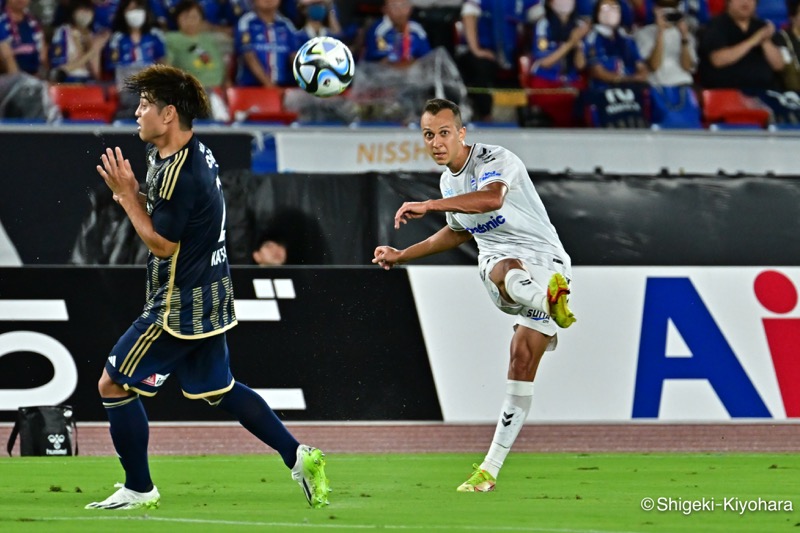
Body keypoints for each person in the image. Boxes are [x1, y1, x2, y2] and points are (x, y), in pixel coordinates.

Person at [85, 64, 330, 511]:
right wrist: (136, 193)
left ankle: (139, 487)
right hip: (211, 294)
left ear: (169, 114)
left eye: (144, 106)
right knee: (219, 388)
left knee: (112, 384)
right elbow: (167, 218)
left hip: (178, 304)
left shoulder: (182, 172)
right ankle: (299, 456)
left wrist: (125, 197)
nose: (136, 113)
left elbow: (162, 244)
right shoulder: (180, 152)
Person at [372, 98, 575, 493]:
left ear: (462, 133)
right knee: (505, 267)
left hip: (548, 262)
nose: (436, 142)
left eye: (444, 133)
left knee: (521, 359)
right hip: (508, 264)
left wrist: (428, 204)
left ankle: (489, 471)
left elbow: (492, 199)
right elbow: (458, 232)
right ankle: (546, 303)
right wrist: (401, 255)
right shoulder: (449, 183)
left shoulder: (496, 159)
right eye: (429, 135)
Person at [698, 0, 784, 90]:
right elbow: (717, 60)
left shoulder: (762, 27)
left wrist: (765, 40)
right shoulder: (716, 25)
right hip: (726, 93)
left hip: (764, 92)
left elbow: (778, 65)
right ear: (729, 2)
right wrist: (753, 41)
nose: (746, 2)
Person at [233, 0, 298, 87]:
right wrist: (270, 86)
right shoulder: (246, 23)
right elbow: (249, 57)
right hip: (250, 88)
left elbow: (295, 57)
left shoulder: (286, 25)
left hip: (284, 88)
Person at [49, 0, 110, 82]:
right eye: (81, 10)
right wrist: (91, 51)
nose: (85, 14)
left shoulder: (91, 35)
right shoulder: (63, 32)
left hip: (87, 82)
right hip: (68, 80)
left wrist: (95, 48)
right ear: (73, 12)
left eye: (88, 10)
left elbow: (95, 73)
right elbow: (59, 70)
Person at [363, 0, 430, 66]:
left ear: (411, 8)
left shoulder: (417, 30)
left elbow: (427, 59)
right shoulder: (379, 31)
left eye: (404, 5)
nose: (400, 11)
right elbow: (382, 63)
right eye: (394, 6)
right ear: (385, 9)